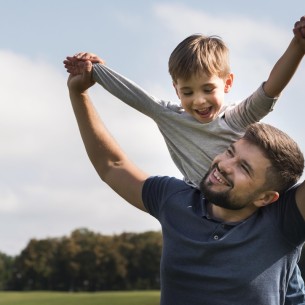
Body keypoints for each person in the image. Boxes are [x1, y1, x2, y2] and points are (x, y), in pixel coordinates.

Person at [66, 57, 305, 304]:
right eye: (230, 152)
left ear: (266, 197)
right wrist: (78, 93)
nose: (224, 165)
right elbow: (112, 166)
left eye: (243, 168)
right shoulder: (174, 199)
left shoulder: (284, 221)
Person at [64, 16, 305, 189]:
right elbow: (134, 95)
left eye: (208, 89)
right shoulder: (170, 117)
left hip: (251, 206)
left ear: (227, 84)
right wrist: (94, 70)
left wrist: (298, 45)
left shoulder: (234, 118)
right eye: (187, 92)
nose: (199, 100)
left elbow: (270, 89)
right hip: (202, 203)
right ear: (176, 90)